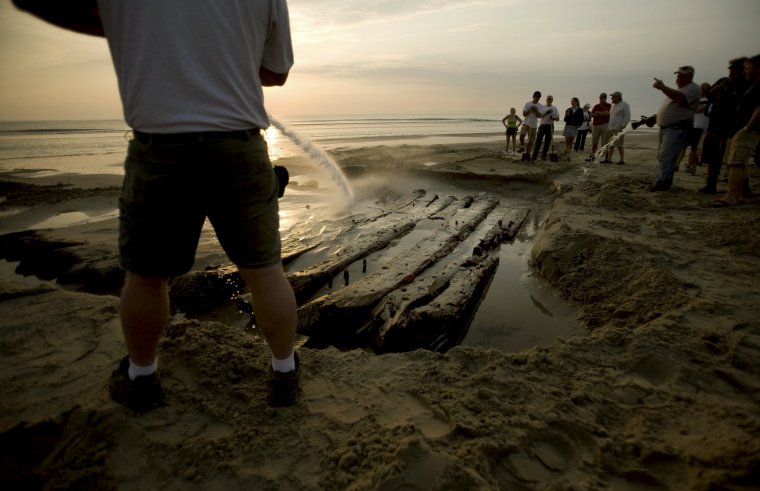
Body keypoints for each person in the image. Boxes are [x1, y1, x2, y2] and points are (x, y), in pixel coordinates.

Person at [14, 0, 301, 410]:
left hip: (159, 148)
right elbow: (276, 72)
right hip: (238, 146)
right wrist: (222, 54)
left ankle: (143, 379)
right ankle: (284, 375)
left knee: (147, 275)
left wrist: (130, 30)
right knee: (264, 271)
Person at [712, 54, 760, 206]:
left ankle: (732, 196)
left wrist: (748, 127)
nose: (746, 71)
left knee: (736, 162)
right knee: (737, 161)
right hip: (742, 128)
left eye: (748, 68)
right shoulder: (754, 84)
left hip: (748, 129)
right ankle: (738, 194)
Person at [699, 57, 748, 194]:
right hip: (714, 125)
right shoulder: (723, 81)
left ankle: (743, 187)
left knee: (734, 159)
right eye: (730, 69)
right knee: (712, 158)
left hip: (732, 127)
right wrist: (714, 91)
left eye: (734, 70)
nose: (731, 73)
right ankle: (711, 185)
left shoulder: (745, 85)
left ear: (742, 71)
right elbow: (709, 94)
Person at [650, 66, 701, 191]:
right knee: (663, 156)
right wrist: (656, 117)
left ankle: (663, 181)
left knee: (667, 155)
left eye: (682, 75)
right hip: (667, 128)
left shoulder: (693, 88)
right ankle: (664, 178)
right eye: (678, 75)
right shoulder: (679, 89)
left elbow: (681, 99)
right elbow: (673, 107)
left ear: (690, 76)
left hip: (677, 128)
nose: (678, 78)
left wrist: (663, 87)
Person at [681, 82, 711, 175]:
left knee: (695, 148)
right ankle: (678, 164)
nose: (701, 90)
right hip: (691, 125)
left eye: (704, 89)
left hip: (701, 126)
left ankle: (690, 165)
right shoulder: (696, 99)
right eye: (701, 88)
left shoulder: (709, 100)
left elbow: (698, 109)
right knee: (684, 146)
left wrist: (693, 108)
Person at [601, 91, 630, 165]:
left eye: (613, 97)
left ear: (618, 97)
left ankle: (622, 160)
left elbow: (627, 116)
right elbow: (612, 116)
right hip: (610, 128)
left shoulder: (625, 105)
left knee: (619, 145)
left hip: (618, 128)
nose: (612, 98)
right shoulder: (613, 106)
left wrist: (623, 126)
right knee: (610, 145)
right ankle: (609, 159)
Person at [531, 95, 560, 161]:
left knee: (547, 142)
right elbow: (539, 116)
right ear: (546, 100)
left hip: (550, 126)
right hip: (542, 125)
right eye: (548, 99)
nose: (549, 100)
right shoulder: (542, 107)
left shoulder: (554, 108)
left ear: (552, 100)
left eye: (550, 99)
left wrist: (554, 118)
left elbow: (558, 118)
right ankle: (534, 156)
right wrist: (547, 113)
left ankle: (543, 156)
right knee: (538, 141)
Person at [584, 93, 611, 162]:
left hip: (605, 125)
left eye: (602, 98)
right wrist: (600, 113)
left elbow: (607, 113)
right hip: (596, 125)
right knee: (594, 142)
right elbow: (591, 114)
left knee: (605, 142)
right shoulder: (596, 106)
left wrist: (598, 113)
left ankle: (606, 158)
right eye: (600, 98)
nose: (601, 99)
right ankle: (592, 157)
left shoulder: (609, 105)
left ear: (605, 98)